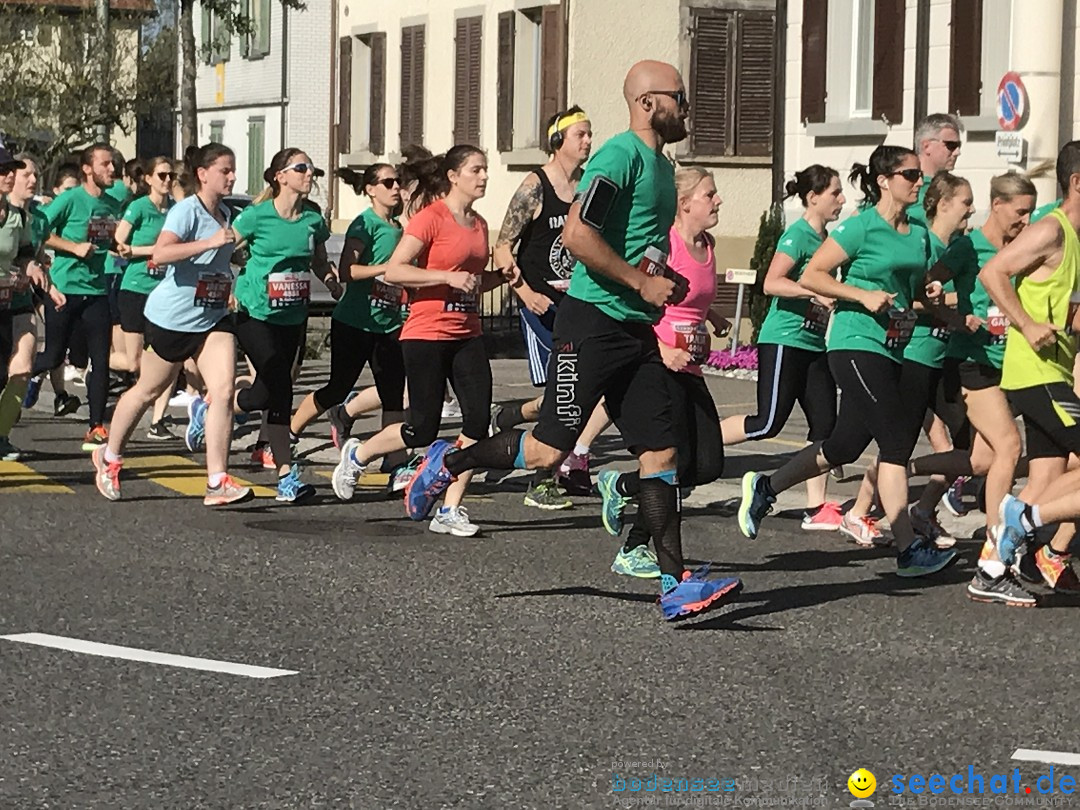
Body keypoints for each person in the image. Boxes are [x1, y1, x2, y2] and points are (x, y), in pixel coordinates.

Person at [398, 61, 742, 621]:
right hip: (590, 324)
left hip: (635, 330)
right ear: (648, 102)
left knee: (662, 452)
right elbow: (580, 235)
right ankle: (449, 460)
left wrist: (661, 282)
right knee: (547, 451)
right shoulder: (620, 157)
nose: (687, 105)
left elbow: (633, 247)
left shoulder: (659, 163)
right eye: (679, 96)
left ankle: (674, 583)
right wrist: (638, 281)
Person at [737, 144, 957, 578]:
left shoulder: (916, 231)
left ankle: (766, 485)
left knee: (843, 446)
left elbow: (917, 288)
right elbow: (812, 275)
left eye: (918, 175)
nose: (918, 182)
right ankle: (907, 548)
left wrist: (932, 298)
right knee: (896, 440)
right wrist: (861, 295)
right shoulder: (860, 228)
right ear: (884, 181)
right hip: (854, 342)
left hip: (893, 343)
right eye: (910, 175)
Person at [330, 145, 502, 537]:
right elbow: (395, 271)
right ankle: (358, 454)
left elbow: (472, 281)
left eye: (486, 170)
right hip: (425, 333)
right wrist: (446, 277)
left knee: (477, 421)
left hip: (466, 333)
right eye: (476, 170)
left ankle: (450, 510)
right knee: (422, 429)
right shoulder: (431, 218)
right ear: (454, 176)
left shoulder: (478, 225)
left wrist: (502, 278)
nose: (484, 177)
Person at [90, 142, 251, 507]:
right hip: (172, 319)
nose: (232, 176)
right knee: (147, 390)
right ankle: (110, 457)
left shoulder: (226, 212)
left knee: (223, 390)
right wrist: (207, 242)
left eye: (233, 169)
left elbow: (218, 260)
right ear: (203, 174)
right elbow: (162, 253)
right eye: (225, 170)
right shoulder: (186, 212)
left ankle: (217, 481)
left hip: (212, 316)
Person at [906, 172, 1038, 603]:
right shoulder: (968, 247)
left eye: (1031, 212)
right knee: (1009, 448)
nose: (1026, 219)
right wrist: (956, 317)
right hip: (970, 364)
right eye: (1020, 211)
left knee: (982, 461)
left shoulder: (1023, 247)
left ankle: (895, 473)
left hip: (1010, 364)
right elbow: (924, 292)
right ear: (997, 205)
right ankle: (994, 549)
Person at [598, 166, 730, 579]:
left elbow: (688, 298)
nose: (718, 200)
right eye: (710, 194)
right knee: (673, 465)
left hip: (689, 365)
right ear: (685, 202)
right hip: (657, 363)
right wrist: (662, 348)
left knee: (707, 465)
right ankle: (637, 549)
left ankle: (622, 487)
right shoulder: (664, 245)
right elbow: (637, 304)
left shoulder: (707, 245)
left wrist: (714, 318)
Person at [841, 172, 976, 549]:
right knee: (898, 443)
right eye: (966, 202)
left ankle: (920, 510)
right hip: (914, 350)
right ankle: (861, 510)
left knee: (963, 444)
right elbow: (911, 297)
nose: (972, 209)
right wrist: (954, 305)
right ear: (943, 204)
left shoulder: (962, 245)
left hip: (941, 354)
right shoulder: (924, 241)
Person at [490, 105, 606, 509]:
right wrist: (524, 293)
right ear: (558, 141)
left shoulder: (590, 186)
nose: (588, 141)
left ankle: (508, 418)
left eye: (591, 134)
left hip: (578, 305)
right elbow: (502, 247)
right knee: (563, 392)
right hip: (540, 306)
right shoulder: (535, 186)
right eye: (581, 135)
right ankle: (542, 481)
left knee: (573, 390)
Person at [719, 165, 844, 532]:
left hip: (812, 342)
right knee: (768, 422)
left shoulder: (828, 241)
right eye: (835, 193)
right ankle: (698, 445)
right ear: (813, 197)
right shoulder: (797, 236)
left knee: (825, 427)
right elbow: (772, 283)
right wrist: (813, 292)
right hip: (784, 339)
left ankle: (815, 507)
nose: (841, 200)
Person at [982, 141, 1080, 596]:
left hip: (1052, 372)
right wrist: (1025, 322)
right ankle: (1029, 524)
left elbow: (1065, 313)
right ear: (1077, 183)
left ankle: (991, 570)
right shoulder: (1051, 230)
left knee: (1045, 475)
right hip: (1033, 372)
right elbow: (993, 273)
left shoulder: (1074, 239)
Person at [229, 147, 337, 503]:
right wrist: (234, 280)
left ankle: (221, 405)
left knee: (266, 392)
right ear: (281, 176)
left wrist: (331, 279)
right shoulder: (256, 216)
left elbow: (318, 261)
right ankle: (286, 476)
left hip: (292, 315)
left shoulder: (312, 219)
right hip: (254, 312)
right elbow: (226, 249)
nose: (310, 175)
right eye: (302, 168)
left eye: (312, 170)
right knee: (280, 388)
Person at [289, 163, 406, 461]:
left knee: (393, 392)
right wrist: (386, 269)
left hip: (388, 323)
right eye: (388, 182)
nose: (395, 188)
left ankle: (394, 460)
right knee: (337, 388)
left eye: (398, 182)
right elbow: (347, 271)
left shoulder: (399, 228)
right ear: (370, 190)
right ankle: (289, 432)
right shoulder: (364, 224)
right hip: (354, 323)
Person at [31, 142, 122, 451]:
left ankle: (96, 427)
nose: (112, 169)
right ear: (87, 169)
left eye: (113, 164)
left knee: (101, 361)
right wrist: (72, 247)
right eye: (105, 164)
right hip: (65, 290)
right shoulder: (70, 199)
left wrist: (118, 247)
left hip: (96, 291)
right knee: (54, 356)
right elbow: (39, 228)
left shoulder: (111, 204)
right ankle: (16, 376)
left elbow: (107, 239)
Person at [0, 153, 63, 460]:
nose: (32, 180)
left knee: (23, 367)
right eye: (26, 174)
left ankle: (1, 435)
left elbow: (28, 255)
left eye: (35, 175)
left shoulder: (31, 217)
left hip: (20, 300)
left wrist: (46, 281)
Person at [114, 156, 177, 440]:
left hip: (165, 294)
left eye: (170, 176)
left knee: (168, 357)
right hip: (136, 288)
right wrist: (152, 251)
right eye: (161, 175)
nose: (167, 181)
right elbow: (120, 244)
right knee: (134, 363)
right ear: (148, 179)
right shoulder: (138, 207)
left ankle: (158, 420)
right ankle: (93, 361)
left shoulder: (176, 210)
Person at [21, 164, 82, 416]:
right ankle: (41, 383)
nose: (33, 179)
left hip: (40, 285)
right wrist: (73, 246)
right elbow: (45, 240)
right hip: (24, 284)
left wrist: (45, 274)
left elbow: (37, 244)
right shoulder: (48, 209)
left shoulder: (39, 213)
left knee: (56, 345)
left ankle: (57, 393)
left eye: (36, 175)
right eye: (67, 190)